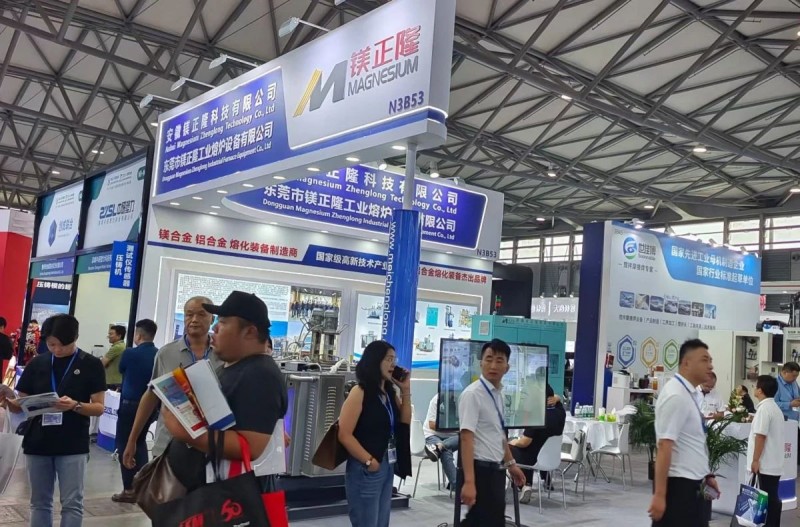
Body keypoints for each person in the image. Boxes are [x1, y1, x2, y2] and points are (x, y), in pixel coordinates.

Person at [162, 291, 287, 491]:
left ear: (250, 332)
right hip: (202, 490)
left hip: (229, 499)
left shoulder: (260, 374)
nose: (215, 328)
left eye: (223, 322)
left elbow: (250, 446)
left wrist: (184, 433)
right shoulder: (234, 367)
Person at [0, 314, 106, 527]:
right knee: (39, 502)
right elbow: (21, 404)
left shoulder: (91, 364)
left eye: (63, 345)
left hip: (72, 444)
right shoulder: (38, 363)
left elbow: (99, 407)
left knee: (72, 503)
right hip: (37, 442)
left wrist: (75, 405)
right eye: (51, 344)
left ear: (75, 338)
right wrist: (9, 400)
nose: (57, 350)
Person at [122, 296, 221, 470]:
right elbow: (151, 395)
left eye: (201, 314)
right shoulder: (166, 353)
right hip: (169, 445)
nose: (194, 319)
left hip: (212, 445)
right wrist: (133, 439)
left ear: (212, 319)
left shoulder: (224, 353)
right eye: (189, 314)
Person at [337, 340, 412, 527]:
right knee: (366, 520)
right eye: (388, 359)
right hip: (366, 466)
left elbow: (404, 421)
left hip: (387, 463)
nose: (393, 364)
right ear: (374, 360)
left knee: (381, 521)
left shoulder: (388, 393)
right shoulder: (360, 392)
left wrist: (405, 390)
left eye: (394, 359)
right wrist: (369, 461)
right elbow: (344, 434)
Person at [648, 339, 720, 527]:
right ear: (686, 363)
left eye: (710, 360)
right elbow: (664, 446)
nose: (710, 366)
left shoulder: (688, 393)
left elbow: (691, 442)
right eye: (704, 360)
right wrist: (660, 495)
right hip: (679, 489)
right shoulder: (676, 395)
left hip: (693, 485)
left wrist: (707, 475)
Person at [458, 339, 526, 526]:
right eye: (488, 359)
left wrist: (511, 464)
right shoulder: (473, 394)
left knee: (491, 521)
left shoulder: (498, 395)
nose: (493, 365)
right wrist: (469, 481)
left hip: (496, 471)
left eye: (499, 360)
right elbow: (466, 438)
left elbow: (499, 434)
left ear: (507, 367)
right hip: (480, 471)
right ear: (481, 363)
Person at [111, 319, 159, 503]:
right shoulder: (158, 354)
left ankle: (130, 489)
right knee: (140, 443)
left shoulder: (130, 353)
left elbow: (121, 369)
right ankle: (143, 487)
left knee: (125, 444)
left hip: (130, 405)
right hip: (151, 407)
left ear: (138, 335)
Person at [510, 383, 567, 504]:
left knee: (509, 448)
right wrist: (557, 398)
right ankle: (545, 481)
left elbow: (525, 442)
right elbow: (557, 399)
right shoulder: (560, 411)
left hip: (533, 458)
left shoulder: (537, 415)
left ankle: (525, 485)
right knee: (535, 447)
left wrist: (514, 442)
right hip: (551, 458)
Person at [747, 375, 784, 527]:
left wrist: (755, 460)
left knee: (765, 503)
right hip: (773, 464)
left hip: (765, 464)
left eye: (755, 386)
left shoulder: (764, 409)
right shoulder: (775, 408)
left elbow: (760, 436)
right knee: (771, 500)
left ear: (760, 390)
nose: (754, 389)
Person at [423, 392, 458, 490]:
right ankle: (457, 486)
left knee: (466, 437)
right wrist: (450, 426)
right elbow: (431, 425)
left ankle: (439, 446)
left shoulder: (461, 399)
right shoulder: (436, 400)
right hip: (433, 434)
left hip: (453, 436)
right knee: (445, 452)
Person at [774, 361, 800, 466]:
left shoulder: (794, 383)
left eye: (797, 376)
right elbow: (772, 404)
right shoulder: (775, 384)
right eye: (793, 376)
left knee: (795, 449)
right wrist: (789, 404)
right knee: (785, 450)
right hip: (782, 423)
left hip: (794, 422)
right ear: (784, 372)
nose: (795, 378)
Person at [101, 325, 126, 390]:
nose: (108, 336)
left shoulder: (117, 347)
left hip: (112, 382)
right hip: (117, 381)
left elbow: (102, 363)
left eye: (111, 334)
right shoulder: (122, 346)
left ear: (119, 336)